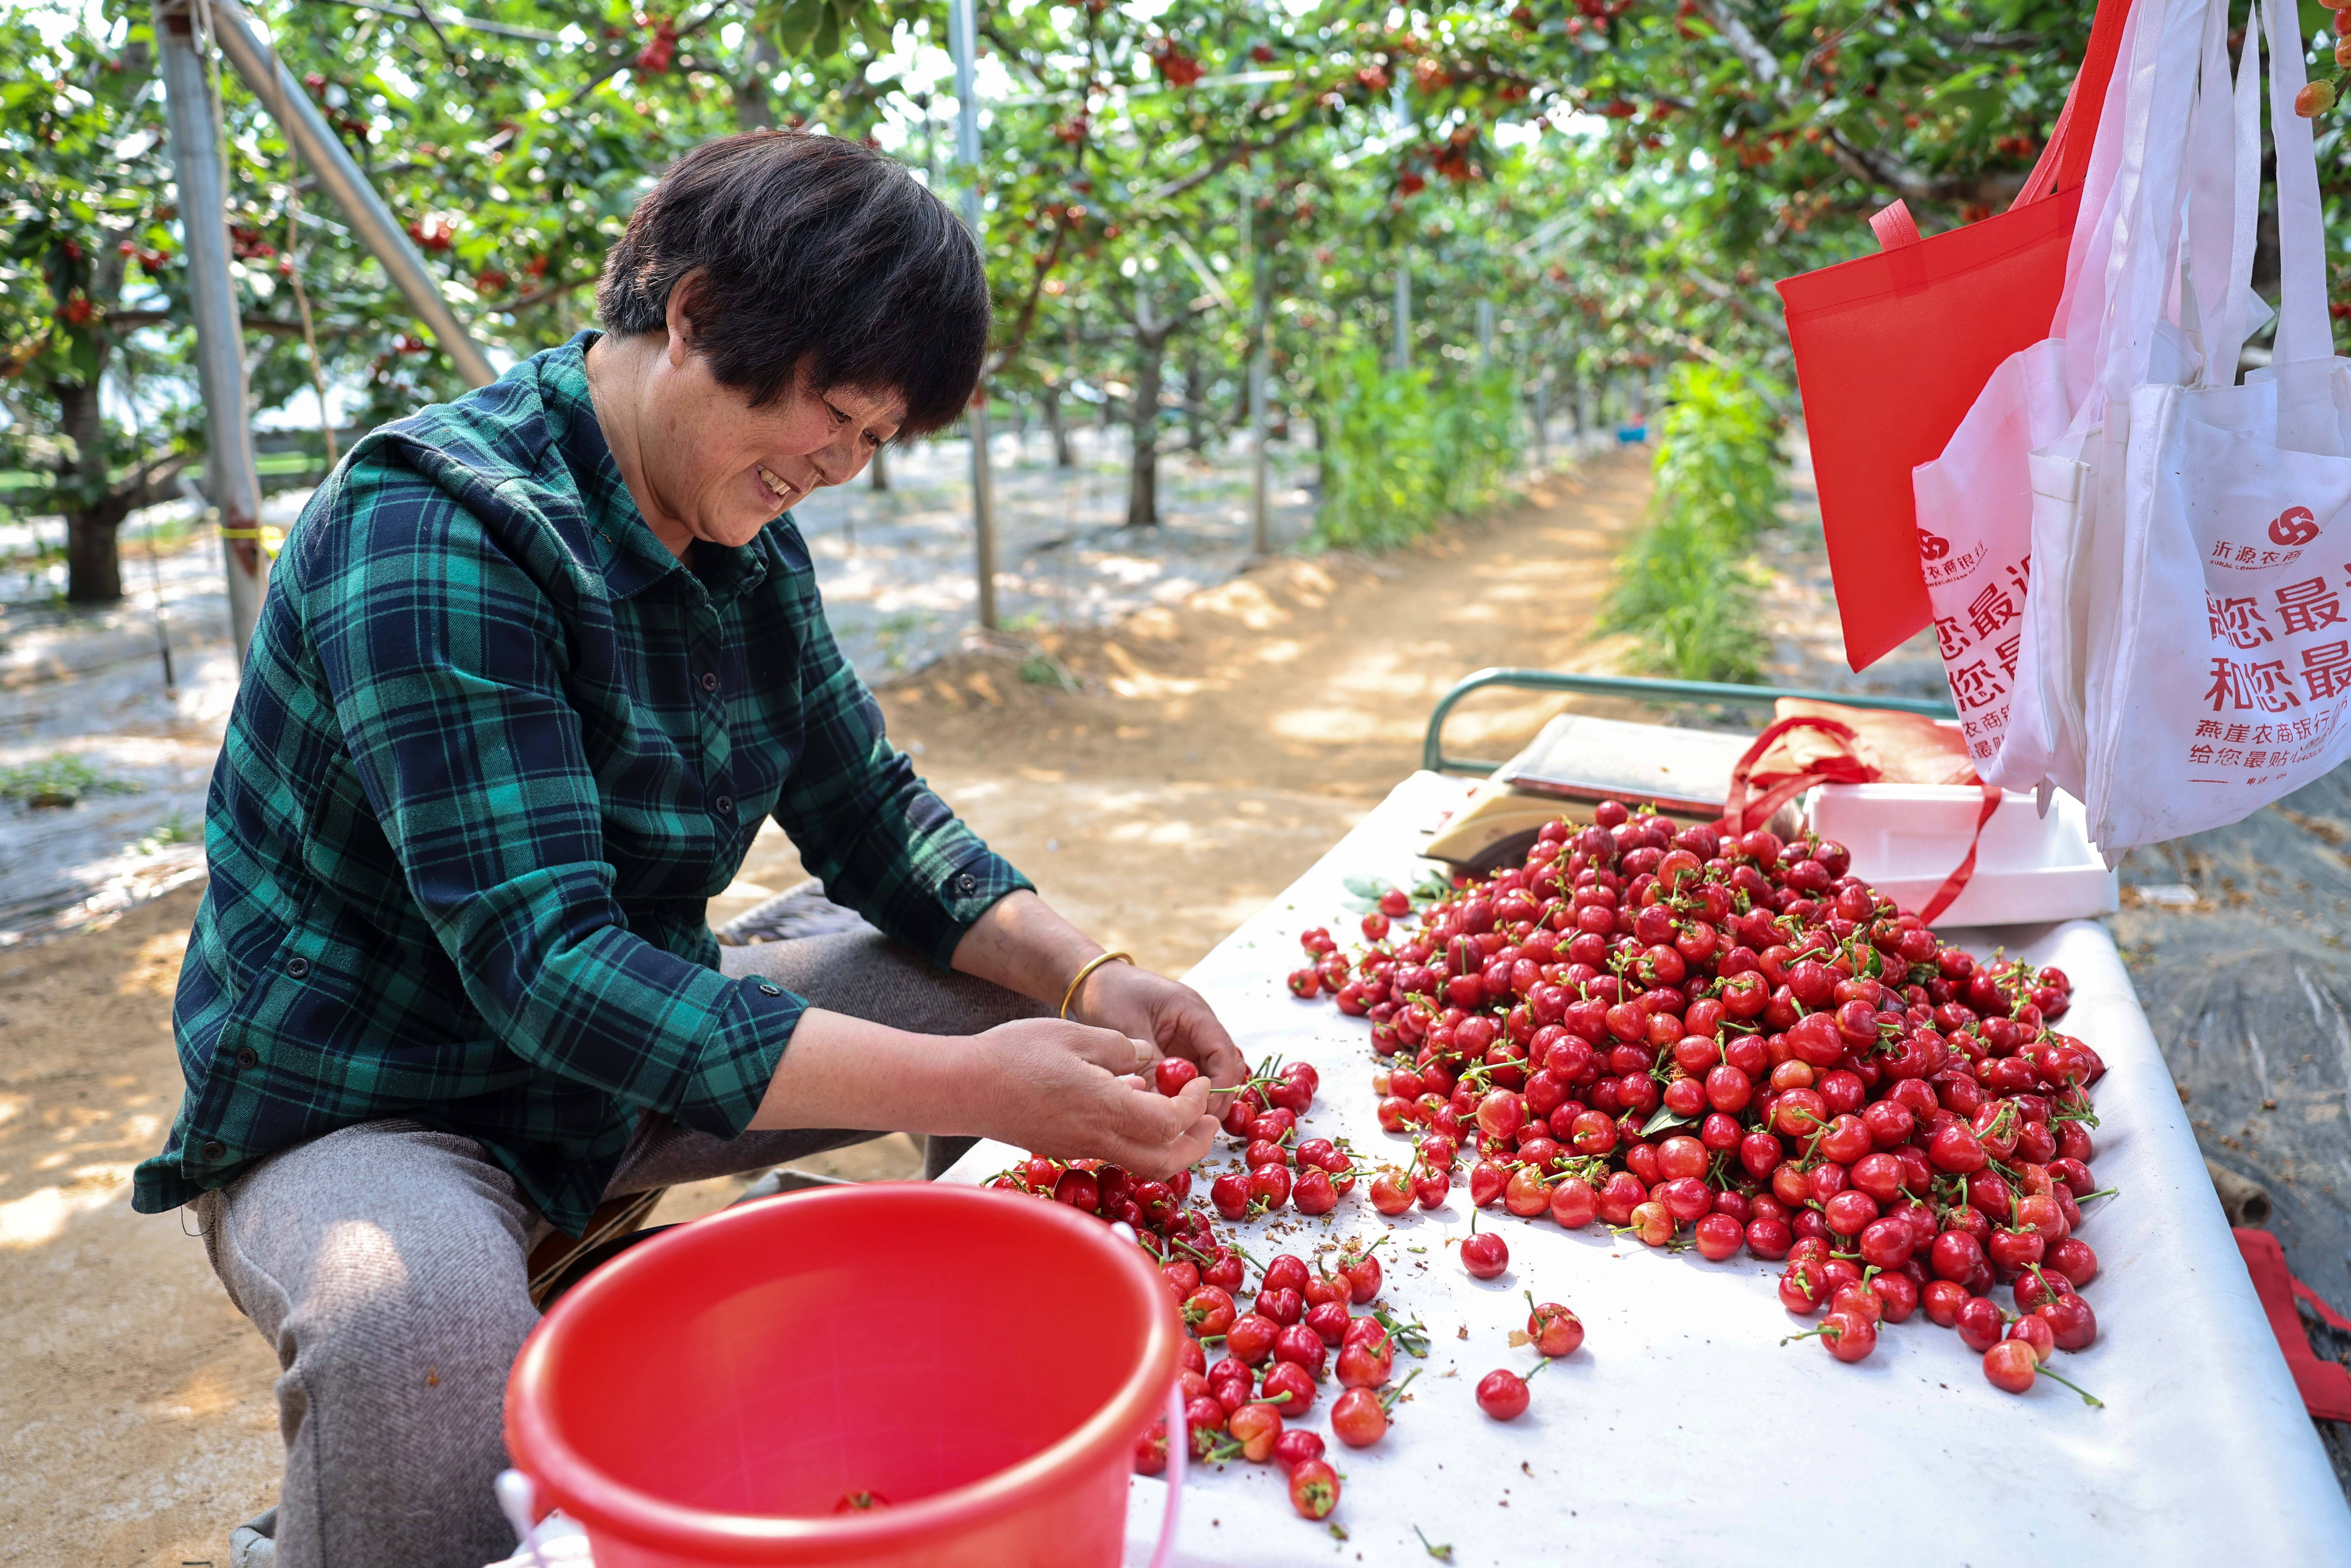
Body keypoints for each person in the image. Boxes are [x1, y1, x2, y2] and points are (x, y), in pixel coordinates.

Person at [133, 130, 1243, 1568]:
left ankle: (958, 1390)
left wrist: (1092, 976)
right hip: (381, 1094)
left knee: (1022, 1008)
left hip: (616, 1056)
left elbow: (872, 814)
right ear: (698, 315)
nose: (841, 468)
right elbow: (551, 971)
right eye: (835, 417)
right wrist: (975, 1086)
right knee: (416, 1334)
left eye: (874, 441)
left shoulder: (742, 534)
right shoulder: (431, 532)